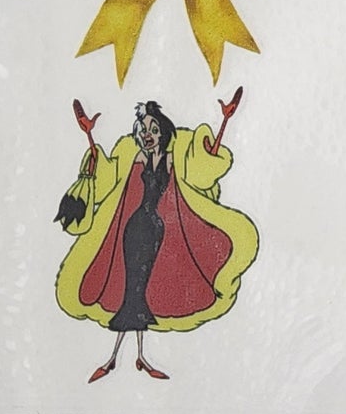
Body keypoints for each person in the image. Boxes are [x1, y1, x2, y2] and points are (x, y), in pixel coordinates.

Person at [54, 95, 259, 382]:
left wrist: (222, 126)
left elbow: (202, 172)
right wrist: (90, 141)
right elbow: (108, 177)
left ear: (163, 132)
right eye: (143, 130)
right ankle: (120, 357)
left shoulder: (174, 158)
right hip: (134, 228)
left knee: (142, 287)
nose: (147, 135)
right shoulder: (133, 156)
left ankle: (133, 356)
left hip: (157, 229)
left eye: (153, 129)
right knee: (131, 287)